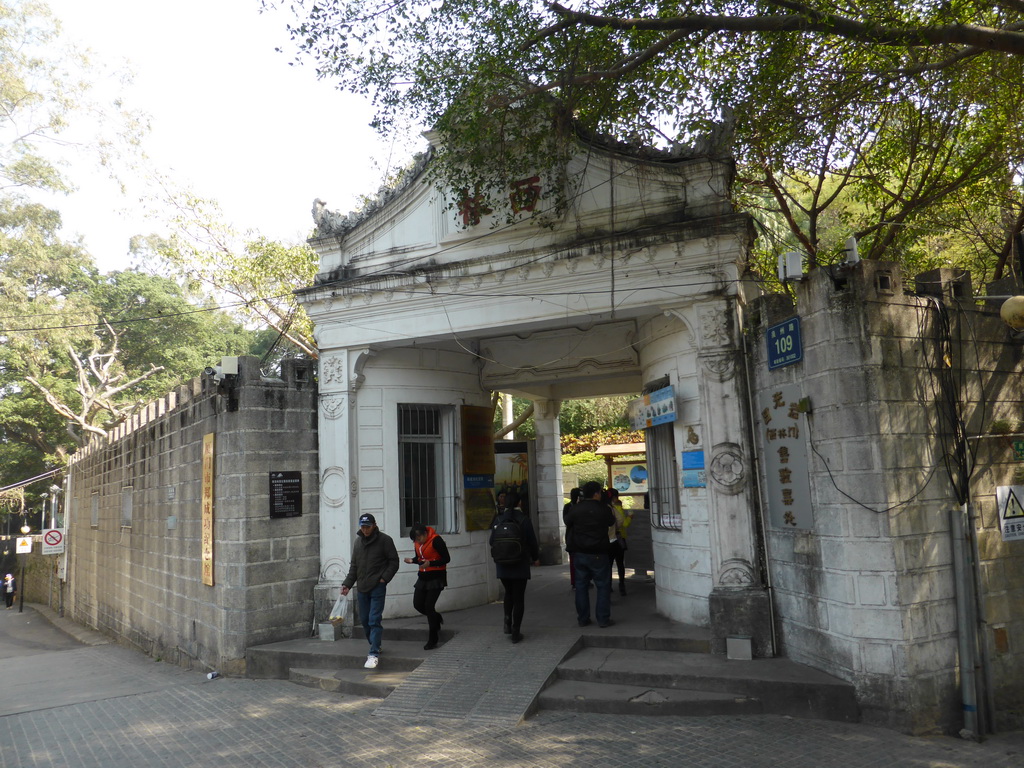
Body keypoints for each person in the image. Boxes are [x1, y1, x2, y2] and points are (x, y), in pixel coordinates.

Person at [341, 513, 399, 669]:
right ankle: (376, 644)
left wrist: (384, 579)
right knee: (365, 620)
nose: (365, 530)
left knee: (374, 619)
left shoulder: (385, 540)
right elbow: (354, 566)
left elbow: (394, 562)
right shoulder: (358, 543)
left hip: (377, 586)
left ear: (374, 525)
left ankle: (373, 653)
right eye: (363, 527)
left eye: (368, 527)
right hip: (362, 587)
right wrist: (347, 584)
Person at [489, 491, 539, 643]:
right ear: (519, 503)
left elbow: (492, 541)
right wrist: (535, 558)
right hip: (519, 563)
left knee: (508, 594)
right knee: (519, 598)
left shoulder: (498, 519)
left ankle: (507, 621)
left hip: (502, 564)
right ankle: (516, 632)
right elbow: (532, 541)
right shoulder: (523, 519)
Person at [564, 481, 616, 628]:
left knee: (581, 586)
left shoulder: (576, 509)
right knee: (603, 586)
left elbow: (567, 522)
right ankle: (603, 619)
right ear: (596, 493)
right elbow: (611, 522)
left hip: (580, 552)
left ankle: (583, 618)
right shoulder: (603, 508)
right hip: (599, 552)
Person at [404, 522, 451, 650]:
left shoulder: (436, 540)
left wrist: (431, 563)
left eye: (419, 538)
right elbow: (420, 558)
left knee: (429, 606)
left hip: (436, 577)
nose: (417, 541)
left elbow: (446, 558)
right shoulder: (417, 543)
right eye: (415, 540)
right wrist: (412, 560)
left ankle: (433, 638)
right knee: (418, 604)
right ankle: (436, 617)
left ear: (425, 534)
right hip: (423, 577)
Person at [607, 488, 630, 596]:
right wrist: (630, 517)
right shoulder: (616, 508)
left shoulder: (603, 507)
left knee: (608, 564)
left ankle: (608, 585)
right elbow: (623, 523)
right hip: (619, 537)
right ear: (615, 497)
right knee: (620, 563)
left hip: (606, 540)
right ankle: (621, 584)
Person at [562, 487, 581, 590]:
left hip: (575, 536)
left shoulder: (579, 506)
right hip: (573, 536)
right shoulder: (568, 507)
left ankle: (581, 580)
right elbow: (566, 521)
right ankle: (574, 581)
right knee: (574, 561)